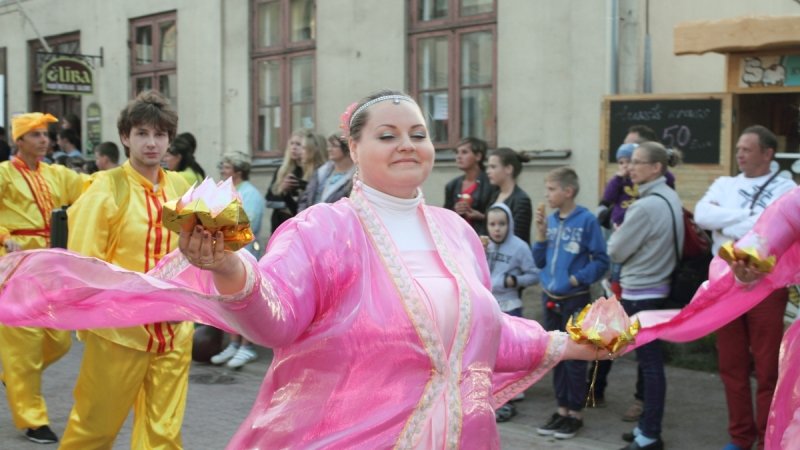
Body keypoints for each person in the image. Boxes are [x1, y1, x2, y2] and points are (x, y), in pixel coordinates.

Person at [0, 90, 623, 449]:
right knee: (97, 423)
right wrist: (231, 273)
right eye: (387, 134)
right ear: (352, 149)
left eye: (418, 131)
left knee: (162, 431)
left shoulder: (459, 233)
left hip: (464, 436)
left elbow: (478, 333)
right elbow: (278, 319)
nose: (407, 143)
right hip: (344, 433)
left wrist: (566, 343)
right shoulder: (324, 228)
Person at [61, 90, 193, 449]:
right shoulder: (106, 187)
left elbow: (196, 252)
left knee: (163, 434)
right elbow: (84, 261)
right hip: (119, 330)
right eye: (142, 134)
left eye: (160, 134)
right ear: (125, 137)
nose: (152, 143)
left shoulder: (181, 186)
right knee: (94, 428)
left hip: (173, 329)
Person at [693, 125, 795, 450]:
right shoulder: (725, 183)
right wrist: (753, 218)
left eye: (747, 149)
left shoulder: (786, 187)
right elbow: (702, 215)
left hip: (767, 287)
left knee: (767, 369)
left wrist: (728, 222)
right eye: (738, 148)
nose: (739, 154)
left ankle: (769, 437)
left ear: (768, 153)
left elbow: (784, 226)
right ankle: (740, 437)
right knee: (731, 366)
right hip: (725, 286)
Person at [0, 112, 84, 444]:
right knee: (24, 343)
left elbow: (90, 187)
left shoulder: (56, 174)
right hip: (15, 265)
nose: (44, 140)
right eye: (35, 135)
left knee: (59, 339)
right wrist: (4, 235)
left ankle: (13, 375)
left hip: (47, 264)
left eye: (45, 134)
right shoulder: (4, 174)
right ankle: (33, 420)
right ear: (18, 141)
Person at [607, 141, 683, 450]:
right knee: (648, 365)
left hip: (641, 291)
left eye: (638, 162)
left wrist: (618, 230)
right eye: (630, 161)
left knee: (650, 367)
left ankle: (650, 434)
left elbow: (615, 250)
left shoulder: (645, 205)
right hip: (658, 287)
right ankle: (645, 429)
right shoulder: (669, 196)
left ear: (656, 168)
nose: (630, 167)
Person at [532, 166, 609, 441]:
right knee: (556, 355)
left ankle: (575, 413)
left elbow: (602, 260)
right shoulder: (550, 221)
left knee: (575, 357)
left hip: (574, 299)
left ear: (568, 191)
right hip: (550, 297)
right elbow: (539, 261)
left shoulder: (587, 221)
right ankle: (561, 409)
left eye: (551, 189)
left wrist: (578, 279)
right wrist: (540, 235)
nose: (547, 194)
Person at [209, 150, 265, 369]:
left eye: (226, 166)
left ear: (239, 170)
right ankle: (233, 343)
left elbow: (245, 224)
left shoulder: (250, 193)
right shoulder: (227, 190)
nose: (222, 170)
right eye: (222, 165)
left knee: (246, 302)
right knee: (229, 301)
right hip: (228, 254)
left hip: (245, 254)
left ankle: (247, 346)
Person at [484, 202, 539, 423]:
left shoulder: (519, 247)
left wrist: (514, 280)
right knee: (492, 351)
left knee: (511, 350)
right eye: (492, 224)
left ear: (510, 224)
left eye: (502, 224)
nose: (497, 229)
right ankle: (495, 388)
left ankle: (514, 389)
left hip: (510, 305)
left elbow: (535, 274)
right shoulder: (484, 245)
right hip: (489, 305)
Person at [265, 129, 323, 231]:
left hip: (302, 223)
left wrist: (302, 186)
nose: (294, 147)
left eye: (298, 144)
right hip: (280, 222)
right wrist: (283, 190)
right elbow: (269, 200)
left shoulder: (316, 171)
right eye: (292, 143)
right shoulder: (282, 170)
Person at [444, 137, 497, 235]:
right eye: (457, 152)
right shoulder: (452, 185)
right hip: (458, 238)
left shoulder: (491, 184)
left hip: (482, 239)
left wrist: (480, 216)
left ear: (478, 156)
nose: (459, 156)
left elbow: (500, 216)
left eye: (464, 152)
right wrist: (455, 211)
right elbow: (445, 217)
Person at [486, 147, 533, 243]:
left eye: (493, 167)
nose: (488, 171)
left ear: (508, 169)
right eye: (488, 167)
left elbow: (519, 236)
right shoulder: (495, 196)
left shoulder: (521, 200)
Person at [297, 133, 354, 212]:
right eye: (328, 146)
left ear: (347, 148)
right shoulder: (321, 172)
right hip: (311, 221)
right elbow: (305, 199)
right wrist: (302, 219)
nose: (329, 149)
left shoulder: (355, 177)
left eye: (334, 146)